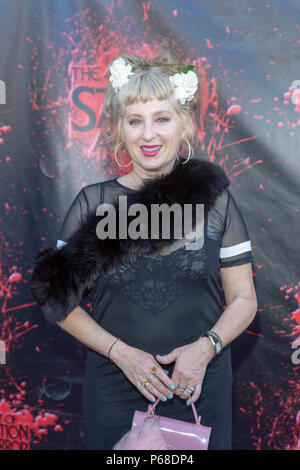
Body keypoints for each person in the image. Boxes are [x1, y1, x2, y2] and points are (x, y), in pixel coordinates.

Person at [30, 50, 258, 450]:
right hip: (116, 391)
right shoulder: (94, 204)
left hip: (198, 391)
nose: (148, 135)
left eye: (161, 119)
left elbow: (243, 298)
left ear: (183, 125)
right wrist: (122, 354)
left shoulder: (216, 201)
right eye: (136, 121)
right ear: (121, 130)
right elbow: (57, 302)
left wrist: (206, 349)